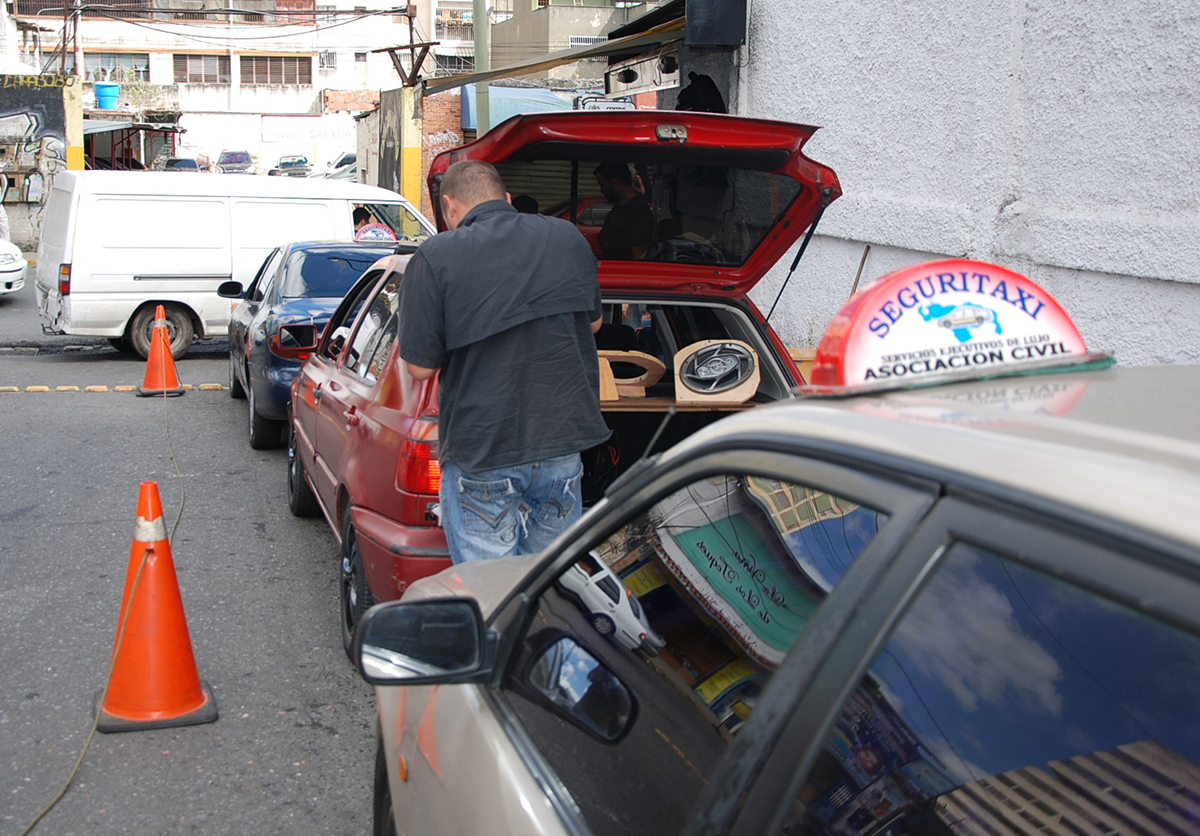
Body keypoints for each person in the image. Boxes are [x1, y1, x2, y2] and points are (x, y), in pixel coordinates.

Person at [398, 160, 611, 564]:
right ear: (507, 199)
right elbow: (595, 322)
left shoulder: (436, 256)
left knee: (493, 594)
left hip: (484, 450)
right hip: (562, 448)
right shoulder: (567, 237)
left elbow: (420, 368)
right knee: (550, 585)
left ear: (450, 208)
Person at [593, 161, 654, 260]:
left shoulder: (638, 211)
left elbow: (639, 253)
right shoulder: (620, 207)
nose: (602, 190)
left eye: (602, 185)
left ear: (613, 183)